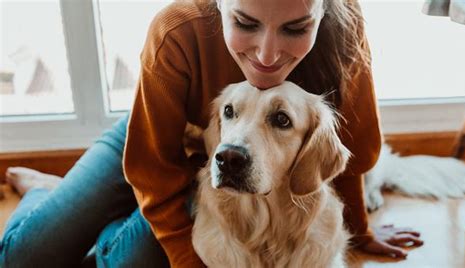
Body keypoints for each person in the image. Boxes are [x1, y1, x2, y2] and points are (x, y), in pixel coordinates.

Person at [0, 0, 423, 267]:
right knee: (23, 258)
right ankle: (46, 190)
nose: (267, 54)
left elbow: (347, 147)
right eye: (245, 22)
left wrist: (360, 231)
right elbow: (151, 167)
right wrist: (187, 260)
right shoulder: (176, 30)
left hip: (219, 164)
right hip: (151, 143)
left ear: (323, 11)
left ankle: (93, 208)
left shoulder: (344, 31)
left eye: (296, 28)